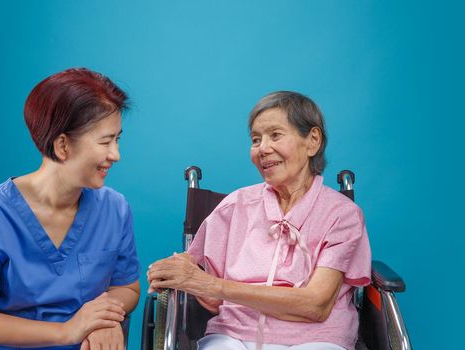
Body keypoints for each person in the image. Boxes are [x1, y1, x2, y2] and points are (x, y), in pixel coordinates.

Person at [147, 91, 371, 350]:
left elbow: (315, 305)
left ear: (312, 141)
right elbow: (204, 285)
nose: (263, 149)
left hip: (318, 337)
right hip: (234, 335)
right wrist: (177, 272)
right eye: (256, 140)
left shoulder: (341, 214)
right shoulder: (236, 205)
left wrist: (212, 284)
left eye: (275, 135)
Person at [0, 68, 140, 350]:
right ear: (62, 145)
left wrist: (102, 319)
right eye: (105, 141)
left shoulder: (115, 209)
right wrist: (69, 331)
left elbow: (128, 287)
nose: (116, 155)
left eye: (117, 139)